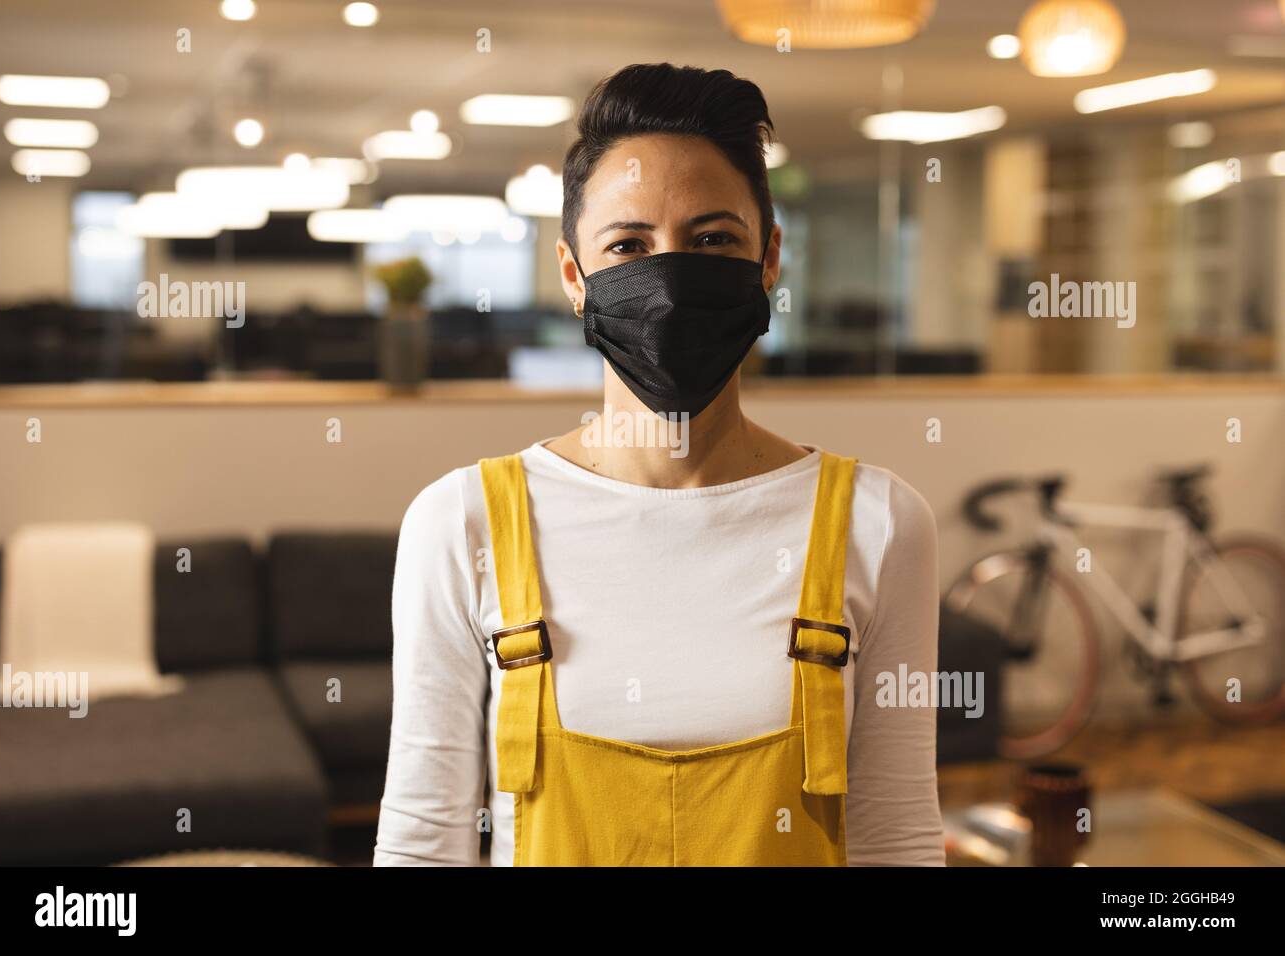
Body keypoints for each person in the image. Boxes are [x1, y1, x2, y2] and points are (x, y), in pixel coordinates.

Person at [374, 62, 944, 866]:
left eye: (712, 240)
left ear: (769, 261)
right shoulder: (461, 522)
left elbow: (897, 839)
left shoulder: (879, 524)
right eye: (629, 245)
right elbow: (423, 844)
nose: (670, 283)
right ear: (575, 275)